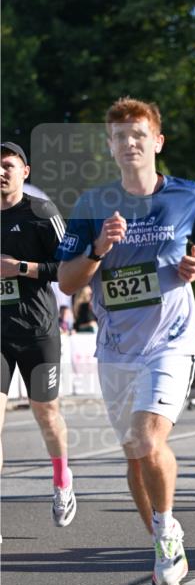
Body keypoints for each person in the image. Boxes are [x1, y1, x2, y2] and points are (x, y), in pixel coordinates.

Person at [57, 98, 195, 585]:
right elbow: (67, 282)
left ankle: (168, 530)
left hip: (171, 342)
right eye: (120, 137)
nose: (129, 143)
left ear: (157, 141)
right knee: (134, 454)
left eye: (138, 134)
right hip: (116, 348)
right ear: (110, 146)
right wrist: (99, 250)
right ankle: (160, 544)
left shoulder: (187, 196)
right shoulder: (91, 205)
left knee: (149, 440)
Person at [1, 141, 77, 527]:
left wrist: (20, 268)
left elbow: (67, 270)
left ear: (24, 172)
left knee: (45, 413)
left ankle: (62, 480)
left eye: (7, 166)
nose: (0, 172)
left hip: (37, 331)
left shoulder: (40, 212)